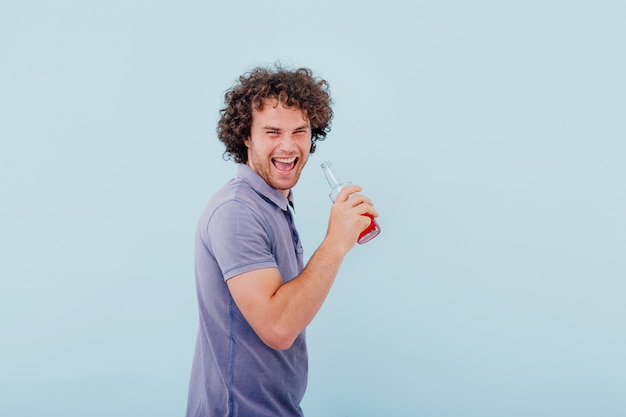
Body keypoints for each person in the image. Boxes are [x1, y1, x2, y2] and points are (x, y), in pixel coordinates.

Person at [186, 64, 379, 417]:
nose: (288, 146)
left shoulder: (275, 204)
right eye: (273, 132)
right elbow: (278, 327)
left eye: (300, 131)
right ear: (246, 136)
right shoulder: (236, 212)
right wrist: (336, 242)